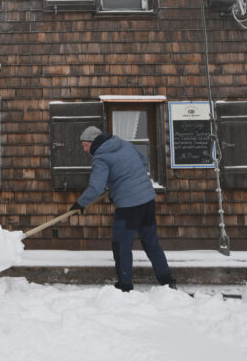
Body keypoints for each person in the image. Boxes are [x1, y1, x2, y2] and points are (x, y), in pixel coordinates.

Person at [70, 125, 175, 292]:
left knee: (121, 246)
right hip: (147, 200)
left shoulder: (101, 157)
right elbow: (143, 161)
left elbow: (96, 188)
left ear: (94, 142)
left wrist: (80, 204)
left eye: (85, 145)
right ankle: (167, 281)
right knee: (151, 243)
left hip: (129, 207)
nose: (84, 149)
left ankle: (124, 285)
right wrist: (120, 182)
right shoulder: (124, 144)